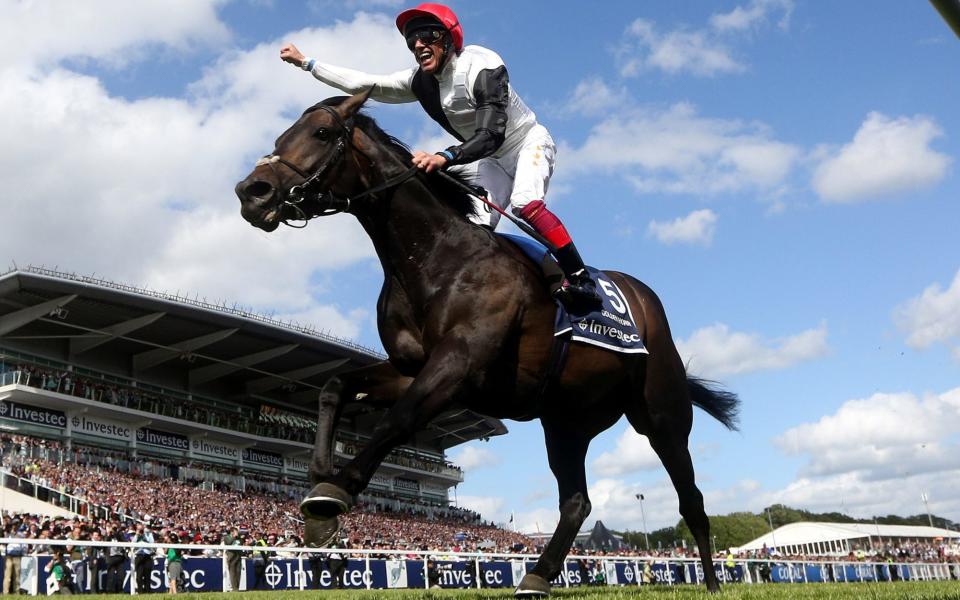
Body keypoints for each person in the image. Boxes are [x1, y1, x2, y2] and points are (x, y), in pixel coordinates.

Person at [280, 2, 600, 309]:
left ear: (448, 38)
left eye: (428, 36)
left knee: (525, 204)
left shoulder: (481, 65)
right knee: (472, 226)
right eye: (411, 39)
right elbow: (367, 84)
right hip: (491, 161)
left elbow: (491, 134)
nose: (419, 44)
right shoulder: (419, 82)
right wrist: (309, 64)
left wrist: (446, 156)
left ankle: (579, 277)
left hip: (526, 143)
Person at [133, 524, 156, 594]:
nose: (141, 530)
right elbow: (132, 543)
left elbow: (152, 543)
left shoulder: (149, 534)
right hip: (139, 555)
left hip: (147, 555)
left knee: (147, 575)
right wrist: (137, 535)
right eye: (139, 528)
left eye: (141, 528)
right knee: (139, 576)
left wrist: (145, 535)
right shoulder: (136, 535)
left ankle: (148, 591)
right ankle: (140, 591)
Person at [221, 527, 242, 592]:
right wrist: (233, 537)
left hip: (238, 556)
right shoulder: (226, 537)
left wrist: (238, 537)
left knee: (238, 572)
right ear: (232, 532)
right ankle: (234, 588)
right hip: (231, 556)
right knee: (232, 573)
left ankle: (237, 587)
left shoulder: (239, 538)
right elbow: (228, 543)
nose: (237, 533)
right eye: (236, 531)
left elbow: (241, 543)